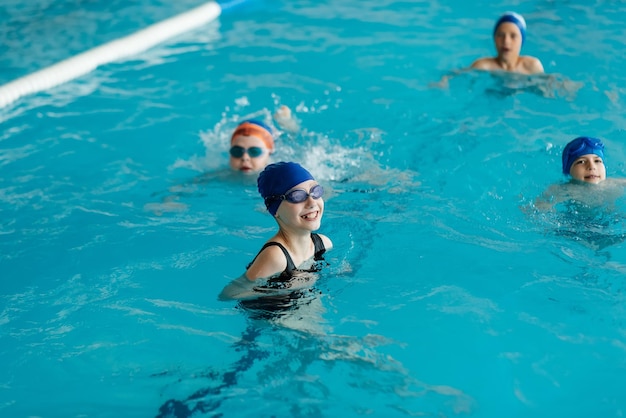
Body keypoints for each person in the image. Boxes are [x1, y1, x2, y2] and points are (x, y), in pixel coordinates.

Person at [219, 161, 333, 301]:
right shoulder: (276, 256)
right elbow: (229, 294)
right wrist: (284, 288)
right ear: (275, 210)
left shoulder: (323, 244)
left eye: (315, 191)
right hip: (275, 317)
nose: (312, 202)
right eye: (297, 196)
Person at [535, 136, 626, 211]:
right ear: (569, 170)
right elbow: (538, 208)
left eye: (597, 161)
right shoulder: (563, 189)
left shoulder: (613, 183)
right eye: (581, 162)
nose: (592, 166)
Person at [229, 105, 299, 175]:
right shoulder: (222, 176)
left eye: (254, 151)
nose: (245, 157)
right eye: (237, 151)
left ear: (269, 152)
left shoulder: (280, 177)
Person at [470, 12, 544, 75]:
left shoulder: (531, 67)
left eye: (513, 36)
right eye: (501, 35)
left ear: (522, 41)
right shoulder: (481, 67)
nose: (506, 41)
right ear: (494, 39)